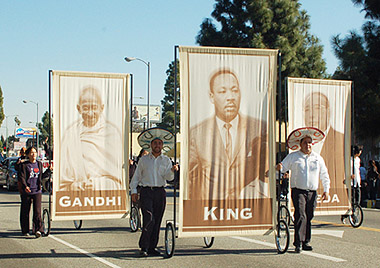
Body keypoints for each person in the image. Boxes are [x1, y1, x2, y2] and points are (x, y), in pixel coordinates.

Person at [189, 68, 268, 200]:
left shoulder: (258, 128)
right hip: (211, 209)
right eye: (222, 91)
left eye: (234, 90)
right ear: (211, 96)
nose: (230, 97)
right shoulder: (197, 134)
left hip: (246, 209)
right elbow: (192, 180)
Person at [276, 128, 330, 253]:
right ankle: (298, 242)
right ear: (300, 144)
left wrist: (326, 190)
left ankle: (306, 241)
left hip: (312, 191)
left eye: (310, 142)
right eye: (305, 142)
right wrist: (278, 169)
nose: (308, 145)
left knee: (309, 216)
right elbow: (282, 169)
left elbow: (324, 174)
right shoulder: (293, 156)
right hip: (298, 190)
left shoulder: (317, 158)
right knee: (300, 215)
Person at [59, 86, 123, 191]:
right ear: (78, 109)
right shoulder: (70, 134)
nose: (90, 113)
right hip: (77, 199)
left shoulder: (111, 134)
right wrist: (73, 186)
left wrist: (97, 184)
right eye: (85, 108)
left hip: (104, 197)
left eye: (94, 107)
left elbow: (119, 179)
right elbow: (62, 180)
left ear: (101, 108)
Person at [130, 135, 178, 257]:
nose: (157, 145)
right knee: (149, 219)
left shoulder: (166, 160)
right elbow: (136, 177)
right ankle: (144, 246)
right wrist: (134, 191)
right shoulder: (144, 160)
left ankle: (152, 247)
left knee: (157, 220)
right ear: (151, 145)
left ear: (162, 145)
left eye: (159, 143)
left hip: (160, 192)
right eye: (155, 143)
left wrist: (172, 170)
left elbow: (169, 178)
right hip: (146, 191)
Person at [303, 92, 346, 204]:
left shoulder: (341, 140)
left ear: (328, 112)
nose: (312, 114)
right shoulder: (298, 149)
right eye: (307, 109)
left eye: (318, 108)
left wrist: (327, 190)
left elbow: (324, 174)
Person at [18, 146, 52, 238]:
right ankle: (25, 230)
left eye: (35, 152)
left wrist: (49, 170)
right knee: (25, 211)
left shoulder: (39, 164)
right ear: (28, 155)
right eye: (32, 153)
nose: (34, 154)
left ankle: (38, 230)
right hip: (27, 191)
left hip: (37, 190)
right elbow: (21, 177)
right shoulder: (24, 165)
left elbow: (41, 177)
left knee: (37, 211)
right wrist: (25, 186)